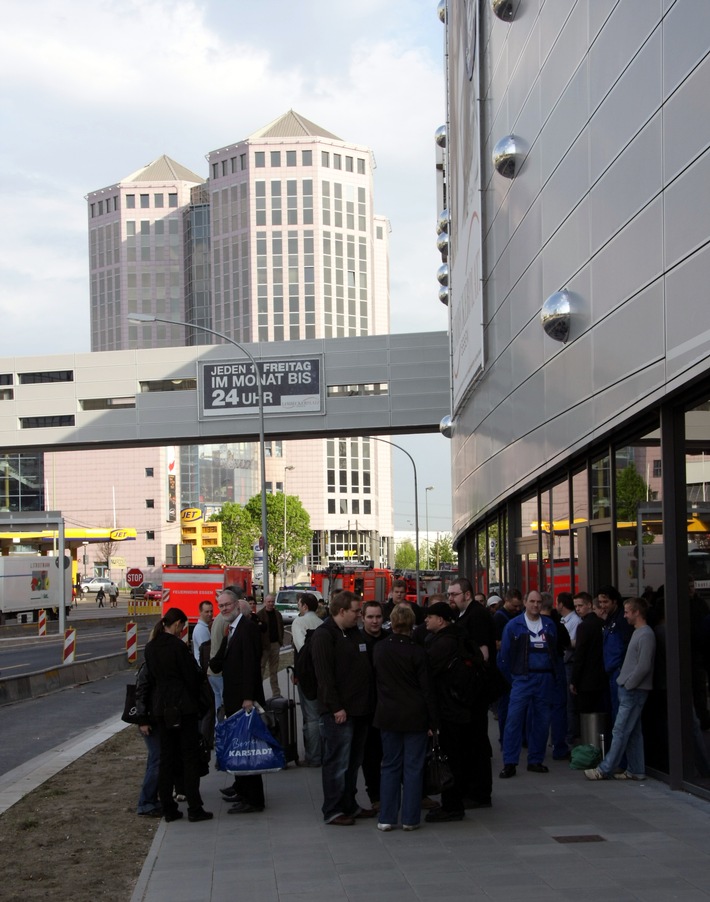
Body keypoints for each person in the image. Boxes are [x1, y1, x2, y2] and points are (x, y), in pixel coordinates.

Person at [140, 607, 212, 823]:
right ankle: (194, 807)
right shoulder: (178, 648)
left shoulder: (150, 648)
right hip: (184, 708)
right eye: (182, 626)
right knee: (189, 758)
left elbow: (150, 679)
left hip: (161, 709)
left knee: (166, 758)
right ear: (179, 625)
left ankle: (169, 809)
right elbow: (192, 676)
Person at [310, 589, 375, 825]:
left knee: (352, 763)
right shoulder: (324, 636)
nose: (359, 615)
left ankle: (349, 804)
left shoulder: (352, 633)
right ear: (341, 611)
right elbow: (325, 677)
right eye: (356, 611)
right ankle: (334, 809)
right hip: (339, 713)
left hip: (359, 710)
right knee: (337, 762)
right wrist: (336, 707)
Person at [373, 604, 437, 832]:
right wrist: (432, 721)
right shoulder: (418, 651)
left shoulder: (380, 649)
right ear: (412, 624)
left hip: (388, 714)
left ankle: (387, 817)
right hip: (415, 715)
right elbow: (427, 689)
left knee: (389, 765)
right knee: (413, 767)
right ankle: (410, 818)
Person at [585, 597, 656, 781]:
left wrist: (628, 683)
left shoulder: (645, 634)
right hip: (631, 687)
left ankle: (604, 769)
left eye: (627, 612)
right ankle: (636, 769)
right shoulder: (640, 632)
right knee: (632, 731)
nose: (624, 616)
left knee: (620, 730)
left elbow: (643, 666)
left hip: (633, 689)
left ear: (636, 612)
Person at [210, 587, 266, 814]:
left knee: (247, 750)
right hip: (233, 698)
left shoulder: (247, 628)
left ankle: (253, 799)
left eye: (227, 605)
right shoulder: (232, 629)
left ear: (237, 605)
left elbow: (250, 665)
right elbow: (219, 662)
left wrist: (247, 697)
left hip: (244, 701)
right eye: (220, 606)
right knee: (239, 748)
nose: (223, 609)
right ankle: (243, 791)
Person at [498, 590, 558, 778]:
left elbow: (555, 653)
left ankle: (535, 760)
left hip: (544, 679)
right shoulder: (513, 625)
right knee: (514, 720)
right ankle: (510, 763)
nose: (535, 605)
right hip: (522, 679)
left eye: (539, 602)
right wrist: (514, 677)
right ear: (525, 602)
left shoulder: (549, 625)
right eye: (531, 601)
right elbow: (504, 656)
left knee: (542, 721)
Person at [423, 601, 470, 822]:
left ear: (440, 620)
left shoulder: (443, 643)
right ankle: (453, 802)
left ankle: (452, 805)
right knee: (455, 755)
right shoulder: (453, 638)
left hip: (449, 708)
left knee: (450, 757)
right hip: (456, 706)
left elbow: (427, 671)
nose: (426, 620)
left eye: (429, 617)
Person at [291, 592, 323, 766]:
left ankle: (313, 756)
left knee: (311, 717)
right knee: (320, 715)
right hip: (320, 675)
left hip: (306, 675)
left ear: (304, 606)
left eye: (299, 604)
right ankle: (322, 752)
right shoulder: (321, 623)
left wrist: (297, 673)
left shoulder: (299, 622)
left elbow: (301, 648)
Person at [360, 600, 386, 810]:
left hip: (389, 706)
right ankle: (375, 796)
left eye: (378, 617)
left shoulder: (389, 640)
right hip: (367, 708)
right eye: (370, 617)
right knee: (371, 755)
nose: (375, 621)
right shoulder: (356, 641)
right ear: (363, 618)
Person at [597, 585, 633, 723]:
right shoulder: (610, 619)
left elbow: (625, 646)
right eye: (600, 602)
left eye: (605, 602)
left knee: (620, 715)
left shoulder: (621, 620)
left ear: (614, 601)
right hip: (611, 671)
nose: (602, 605)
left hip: (619, 671)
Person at [570, 591, 607, 715]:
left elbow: (580, 654)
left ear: (590, 605)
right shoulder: (602, 624)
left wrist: (574, 680)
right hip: (602, 676)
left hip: (586, 679)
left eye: (580, 606)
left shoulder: (584, 626)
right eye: (575, 606)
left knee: (587, 713)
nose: (578, 609)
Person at [134, 662, 162, 817]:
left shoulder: (151, 664)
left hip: (153, 718)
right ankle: (145, 802)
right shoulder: (148, 666)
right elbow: (141, 692)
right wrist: (143, 720)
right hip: (149, 720)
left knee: (155, 759)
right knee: (157, 759)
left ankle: (150, 799)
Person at [256, 594, 284, 698]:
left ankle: (276, 693)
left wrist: (280, 641)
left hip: (275, 644)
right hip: (264, 647)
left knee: (274, 671)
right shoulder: (260, 615)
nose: (271, 604)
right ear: (265, 602)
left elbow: (280, 627)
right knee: (261, 670)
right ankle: (258, 693)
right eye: (269, 602)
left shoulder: (278, 614)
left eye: (272, 601)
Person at [192, 600, 213, 666]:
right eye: (207, 612)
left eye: (211, 611)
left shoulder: (205, 627)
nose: (210, 614)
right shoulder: (200, 629)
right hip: (203, 667)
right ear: (200, 612)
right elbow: (207, 652)